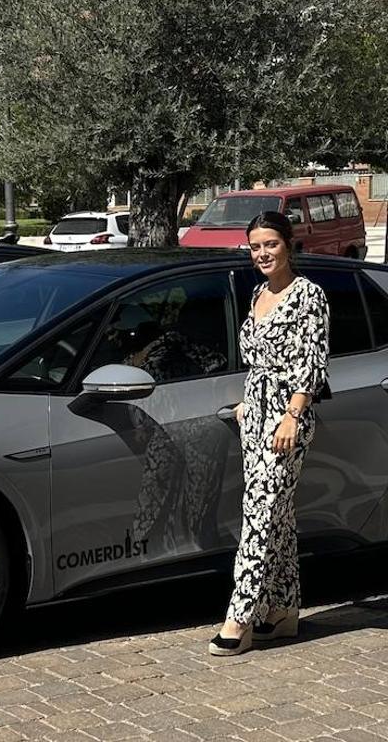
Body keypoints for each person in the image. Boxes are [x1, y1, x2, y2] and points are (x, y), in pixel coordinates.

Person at [209, 211, 330, 657]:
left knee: (259, 513)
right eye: (255, 246)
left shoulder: (309, 296)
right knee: (277, 513)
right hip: (255, 415)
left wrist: (292, 416)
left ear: (289, 245)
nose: (262, 253)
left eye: (271, 244)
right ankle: (283, 611)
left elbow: (311, 364)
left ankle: (238, 617)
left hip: (287, 420)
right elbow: (260, 360)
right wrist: (247, 403)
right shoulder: (258, 293)